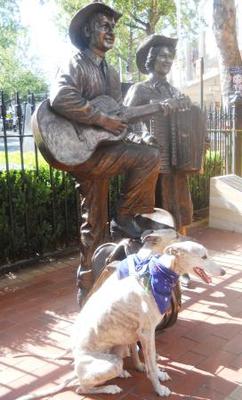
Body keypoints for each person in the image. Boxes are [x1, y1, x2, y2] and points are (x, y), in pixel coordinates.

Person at [49, 1, 162, 305]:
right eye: (104, 25)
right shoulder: (76, 63)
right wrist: (98, 119)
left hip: (104, 150)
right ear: (87, 31)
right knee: (93, 227)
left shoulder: (110, 73)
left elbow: (118, 115)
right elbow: (61, 97)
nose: (110, 31)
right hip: (83, 154)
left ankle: (125, 216)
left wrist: (137, 133)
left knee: (149, 155)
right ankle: (88, 294)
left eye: (113, 27)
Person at [124, 34, 194, 235]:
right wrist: (143, 137)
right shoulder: (140, 90)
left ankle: (179, 251)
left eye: (170, 57)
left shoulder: (176, 92)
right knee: (154, 215)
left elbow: (188, 125)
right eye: (162, 56)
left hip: (177, 163)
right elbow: (124, 121)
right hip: (151, 164)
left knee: (179, 211)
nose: (167, 61)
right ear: (151, 58)